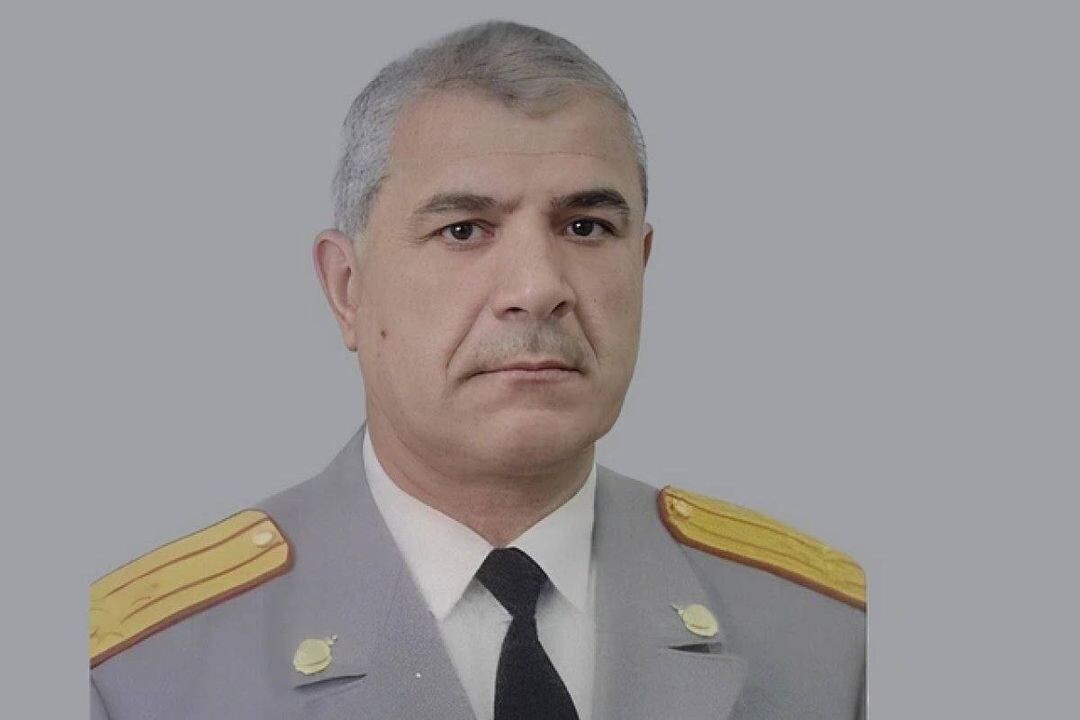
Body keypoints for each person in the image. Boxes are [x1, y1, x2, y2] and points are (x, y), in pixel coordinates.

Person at [89, 19, 866, 720]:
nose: (538, 286)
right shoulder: (137, 677)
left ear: (642, 262)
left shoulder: (831, 644)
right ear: (347, 288)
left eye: (586, 226)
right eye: (464, 229)